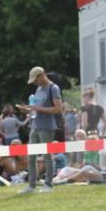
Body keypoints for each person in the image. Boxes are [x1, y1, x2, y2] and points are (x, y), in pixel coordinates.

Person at [17, 66, 62, 194]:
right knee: (31, 156)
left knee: (47, 156)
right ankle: (31, 186)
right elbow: (36, 108)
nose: (34, 83)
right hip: (35, 125)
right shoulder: (38, 89)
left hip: (47, 127)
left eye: (35, 80)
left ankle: (48, 184)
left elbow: (58, 109)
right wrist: (28, 109)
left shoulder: (54, 88)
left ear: (42, 75)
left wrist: (37, 109)